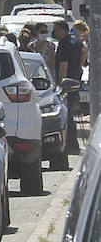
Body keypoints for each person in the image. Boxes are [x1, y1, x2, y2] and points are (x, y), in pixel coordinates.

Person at [55, 19, 84, 154]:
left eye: (57, 30)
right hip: (75, 80)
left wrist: (61, 84)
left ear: (63, 30)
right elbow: (85, 50)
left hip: (67, 84)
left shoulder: (64, 44)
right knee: (71, 112)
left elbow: (63, 65)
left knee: (66, 115)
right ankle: (73, 144)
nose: (55, 32)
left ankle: (71, 144)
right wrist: (78, 67)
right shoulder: (76, 40)